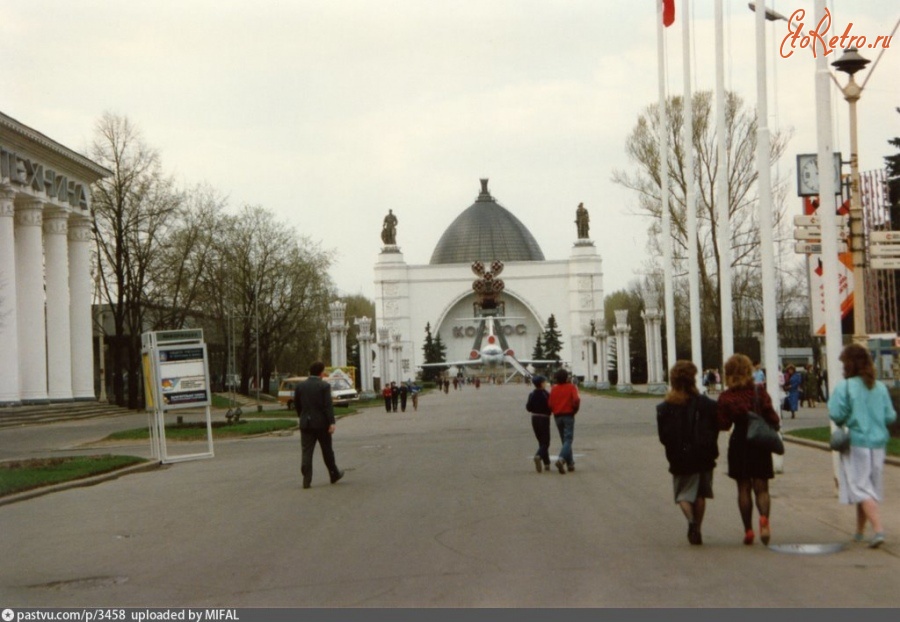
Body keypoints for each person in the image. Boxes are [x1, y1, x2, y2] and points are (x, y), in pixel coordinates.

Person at [828, 343, 897, 548]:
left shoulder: (845, 387)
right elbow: (890, 416)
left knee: (859, 486)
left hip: (856, 442)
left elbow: (836, 414)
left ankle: (878, 530)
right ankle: (859, 531)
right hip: (878, 443)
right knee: (869, 485)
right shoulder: (880, 387)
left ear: (849, 365)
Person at [717, 353, 780, 545]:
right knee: (762, 488)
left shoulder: (726, 397)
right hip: (759, 442)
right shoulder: (759, 392)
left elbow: (724, 424)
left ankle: (748, 530)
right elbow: (774, 419)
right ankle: (764, 520)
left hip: (739, 442)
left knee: (743, 488)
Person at [656, 360, 719, 545]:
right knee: (700, 494)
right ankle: (697, 529)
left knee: (683, 494)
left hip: (679, 456)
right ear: (693, 379)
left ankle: (691, 521)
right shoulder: (706, 404)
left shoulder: (664, 408)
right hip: (704, 455)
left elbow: (663, 436)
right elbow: (715, 428)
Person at [294, 361, 344, 489]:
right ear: (321, 373)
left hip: (306, 423)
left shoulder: (300, 386)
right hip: (322, 424)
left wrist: (303, 416)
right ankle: (334, 474)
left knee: (306, 452)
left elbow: (297, 405)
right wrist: (331, 422)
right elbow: (328, 406)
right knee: (327, 450)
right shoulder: (324, 386)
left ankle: (306, 480)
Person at [548, 368, 581, 474]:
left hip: (557, 416)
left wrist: (554, 410)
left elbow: (549, 404)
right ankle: (561, 459)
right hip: (568, 415)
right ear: (567, 377)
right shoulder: (571, 387)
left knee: (564, 440)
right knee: (568, 439)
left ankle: (570, 463)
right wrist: (575, 409)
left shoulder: (554, 389)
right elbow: (576, 400)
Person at [526, 375, 552, 473]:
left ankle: (547, 463)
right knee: (546, 442)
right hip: (544, 418)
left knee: (541, 441)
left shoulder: (532, 394)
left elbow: (528, 408)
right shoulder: (546, 394)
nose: (545, 383)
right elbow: (550, 405)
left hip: (534, 418)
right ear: (541, 383)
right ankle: (538, 456)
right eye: (544, 382)